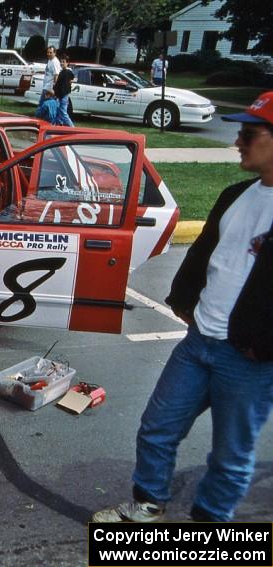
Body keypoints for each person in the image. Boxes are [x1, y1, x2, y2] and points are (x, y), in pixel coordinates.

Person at [92, 91, 273, 524]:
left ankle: (210, 528)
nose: (237, 143)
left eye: (249, 134)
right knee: (158, 427)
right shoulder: (236, 194)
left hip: (248, 359)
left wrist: (263, 344)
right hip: (198, 344)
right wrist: (184, 300)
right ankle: (147, 503)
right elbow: (205, 256)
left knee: (230, 455)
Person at [53, 54, 75, 127]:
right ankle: (58, 125)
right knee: (59, 110)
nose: (62, 63)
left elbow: (63, 85)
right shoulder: (63, 72)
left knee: (63, 112)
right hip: (62, 94)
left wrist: (57, 94)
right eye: (61, 61)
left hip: (63, 95)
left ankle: (72, 127)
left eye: (63, 62)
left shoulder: (66, 72)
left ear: (67, 63)